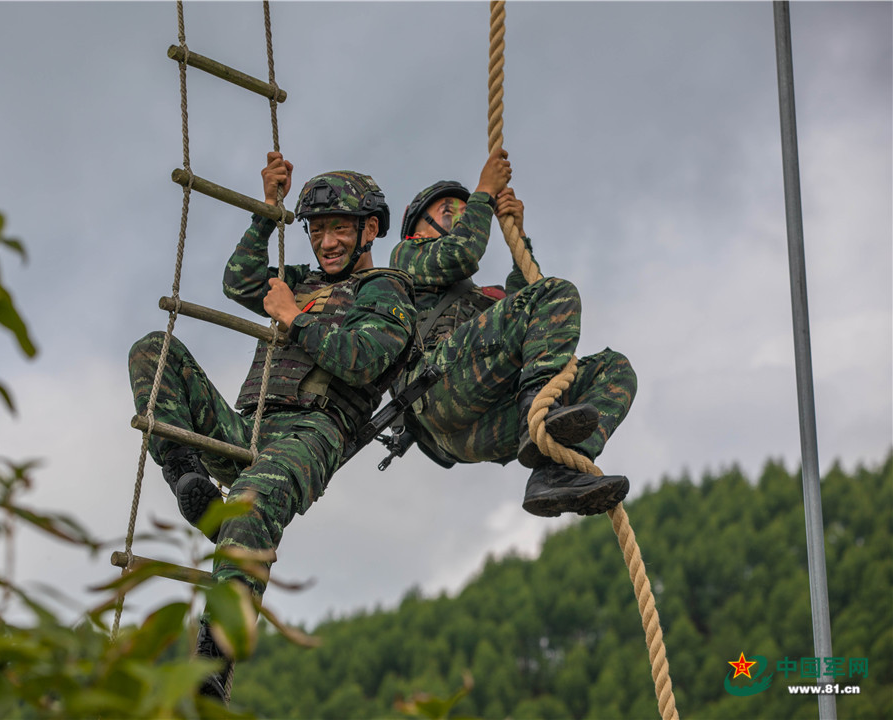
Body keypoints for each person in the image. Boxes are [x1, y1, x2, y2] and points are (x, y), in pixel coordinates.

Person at [128, 152, 414, 703]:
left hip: (312, 435)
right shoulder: (300, 280)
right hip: (250, 424)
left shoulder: (385, 291)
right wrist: (267, 213)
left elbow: (365, 361)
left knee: (255, 503)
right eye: (318, 231)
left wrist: (294, 317)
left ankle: (212, 666)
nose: (327, 243)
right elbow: (238, 282)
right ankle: (189, 479)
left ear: (369, 230)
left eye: (339, 230)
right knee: (154, 351)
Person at [388, 148, 637, 518]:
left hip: (479, 429)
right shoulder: (406, 258)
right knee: (557, 291)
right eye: (448, 212)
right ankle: (536, 412)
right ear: (419, 228)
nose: (461, 217)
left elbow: (529, 305)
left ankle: (558, 469)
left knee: (614, 369)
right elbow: (461, 254)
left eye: (464, 210)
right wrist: (484, 192)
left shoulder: (481, 301)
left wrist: (517, 235)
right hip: (435, 391)